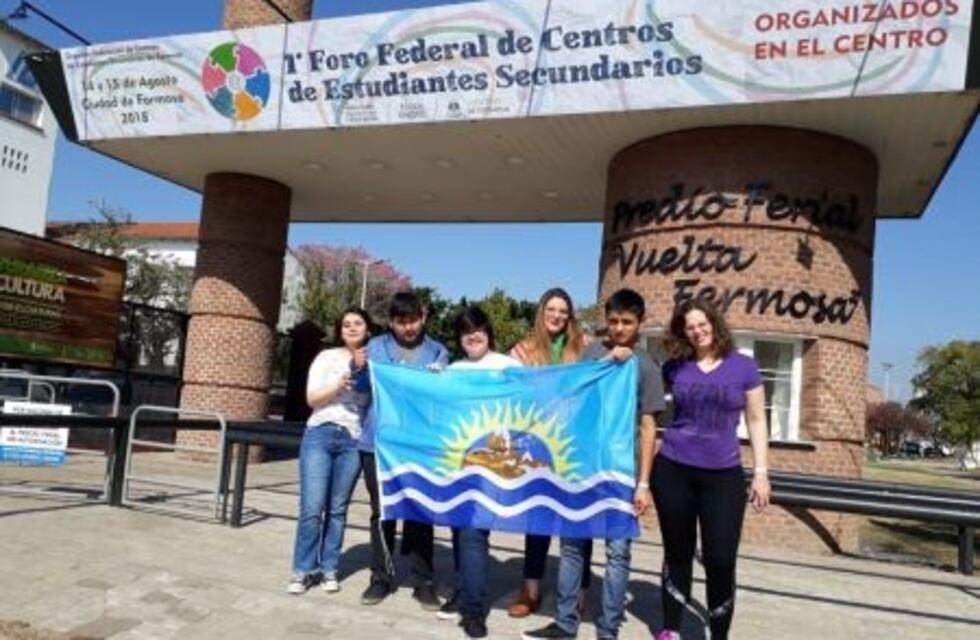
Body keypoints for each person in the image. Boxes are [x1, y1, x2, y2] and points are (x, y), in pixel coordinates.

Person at [522, 288, 665, 640]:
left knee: (617, 553)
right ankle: (565, 623)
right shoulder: (590, 353)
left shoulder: (646, 366)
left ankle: (608, 629)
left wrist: (643, 483)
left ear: (640, 323)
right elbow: (568, 395)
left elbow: (650, 429)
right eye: (613, 321)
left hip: (622, 473)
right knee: (572, 546)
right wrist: (603, 363)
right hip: (582, 469)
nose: (619, 328)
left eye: (627, 322)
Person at [652, 299, 771, 640]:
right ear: (683, 331)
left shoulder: (744, 367)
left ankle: (719, 634)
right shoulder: (674, 368)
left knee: (720, 558)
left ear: (714, 324)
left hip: (723, 474)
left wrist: (761, 473)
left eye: (702, 324)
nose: (697, 331)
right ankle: (670, 629)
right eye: (689, 326)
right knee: (677, 552)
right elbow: (654, 414)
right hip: (673, 469)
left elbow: (757, 419)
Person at [358, 291, 450, 610]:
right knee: (381, 512)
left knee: (421, 511)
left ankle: (423, 581)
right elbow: (360, 388)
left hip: (419, 446)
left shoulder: (438, 352)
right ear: (390, 322)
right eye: (400, 322)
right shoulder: (374, 348)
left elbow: (441, 398)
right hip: (377, 443)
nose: (408, 328)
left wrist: (440, 378)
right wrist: (357, 368)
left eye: (412, 320)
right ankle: (380, 578)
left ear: (423, 317)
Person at [438, 306, 522, 638]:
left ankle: (473, 609)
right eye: (465, 331)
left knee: (474, 533)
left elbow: (534, 397)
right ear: (459, 338)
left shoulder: (508, 366)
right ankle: (462, 590)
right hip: (457, 461)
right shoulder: (453, 369)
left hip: (492, 463)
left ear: (488, 332)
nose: (473, 336)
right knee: (459, 529)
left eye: (479, 329)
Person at [508, 287, 591, 618]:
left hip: (576, 449)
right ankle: (531, 590)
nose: (556, 316)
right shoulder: (524, 350)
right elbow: (505, 388)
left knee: (580, 522)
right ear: (541, 313)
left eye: (563, 311)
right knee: (538, 519)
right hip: (538, 448)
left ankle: (579, 593)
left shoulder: (584, 347)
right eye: (551, 310)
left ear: (570, 316)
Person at [287, 307, 375, 595]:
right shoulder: (326, 357)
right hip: (321, 435)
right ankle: (302, 569)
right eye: (346, 324)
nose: (351, 328)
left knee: (337, 510)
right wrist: (338, 386)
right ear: (340, 331)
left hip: (353, 439)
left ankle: (329, 569)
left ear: (368, 330)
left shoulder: (376, 362)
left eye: (358, 323)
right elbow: (311, 399)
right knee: (312, 509)